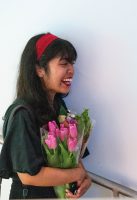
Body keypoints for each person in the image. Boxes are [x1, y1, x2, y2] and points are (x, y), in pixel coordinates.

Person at [0, 33, 91, 199]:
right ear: (39, 69)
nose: (71, 70)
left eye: (72, 63)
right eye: (64, 63)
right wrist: (76, 174)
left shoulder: (58, 105)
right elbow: (28, 175)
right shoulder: (22, 113)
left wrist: (84, 178)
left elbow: (73, 153)